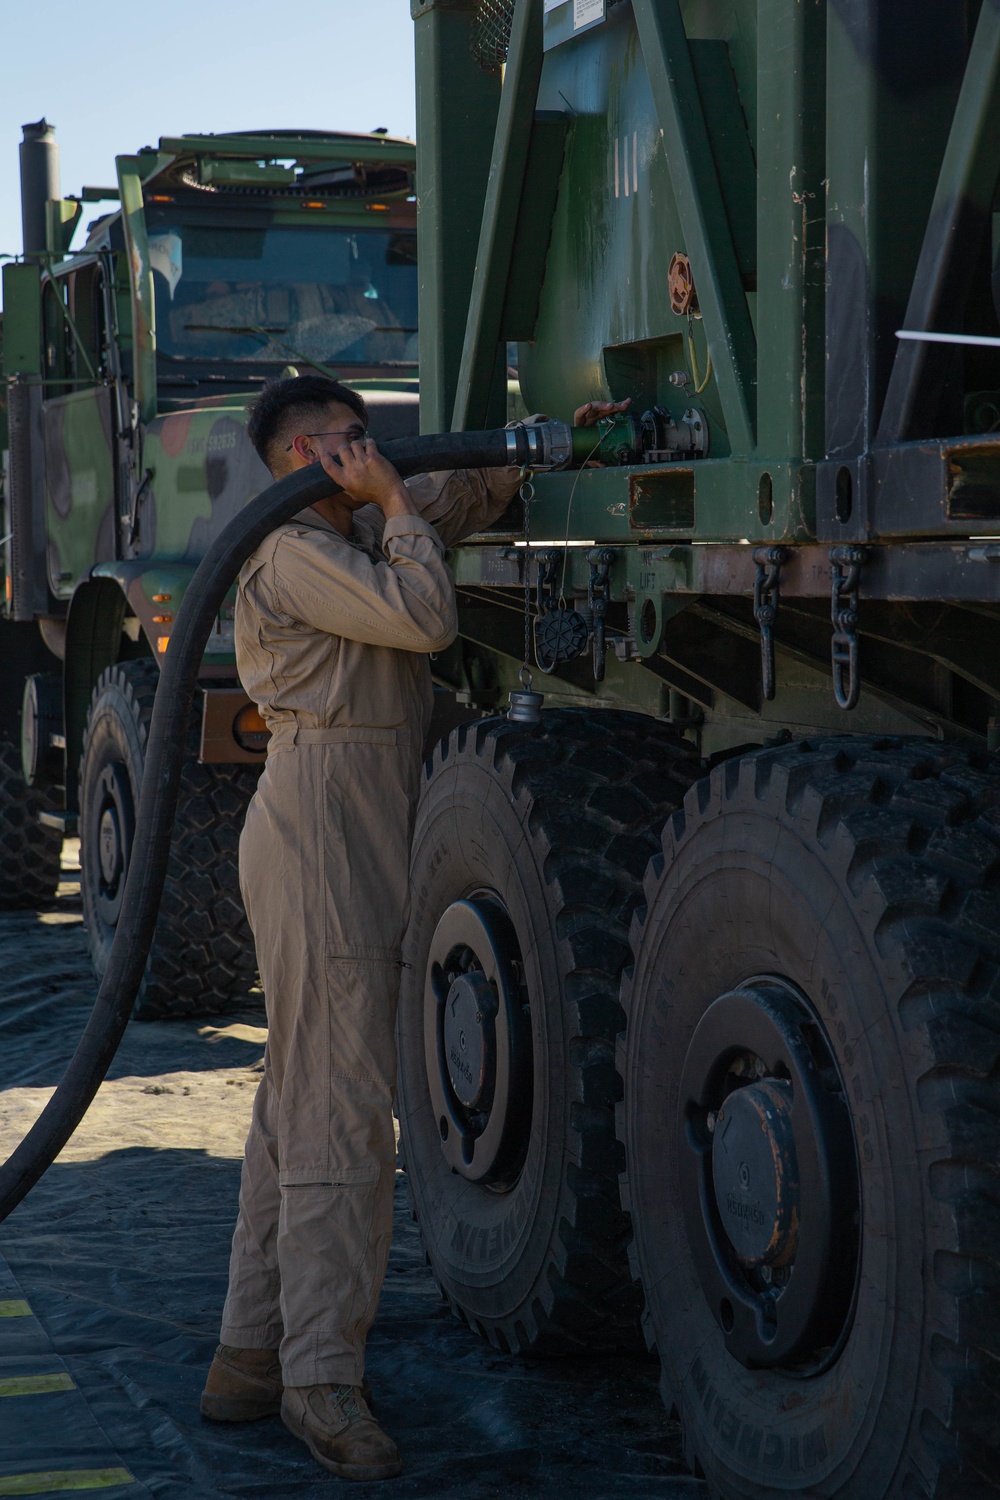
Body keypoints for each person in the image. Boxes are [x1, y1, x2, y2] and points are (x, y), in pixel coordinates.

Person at [199, 373, 628, 1480]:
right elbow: (425, 613)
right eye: (346, 442)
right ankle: (321, 1381)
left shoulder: (348, 526)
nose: (370, 455)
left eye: (370, 442)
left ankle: (251, 1356)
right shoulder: (297, 551)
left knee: (296, 1104)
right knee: (343, 1113)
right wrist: (393, 503)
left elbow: (440, 507)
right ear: (302, 457)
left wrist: (526, 451)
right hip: (323, 826)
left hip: (354, 816)